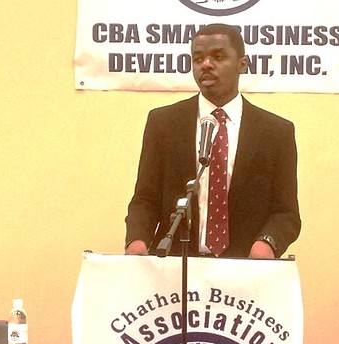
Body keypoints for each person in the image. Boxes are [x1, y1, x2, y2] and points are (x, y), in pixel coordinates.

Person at [124, 23, 301, 259]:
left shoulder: (276, 132)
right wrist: (137, 241)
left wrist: (267, 243)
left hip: (245, 267)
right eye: (198, 58)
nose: (206, 64)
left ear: (242, 64)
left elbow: (286, 213)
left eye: (218, 56)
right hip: (176, 265)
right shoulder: (163, 123)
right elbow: (145, 199)